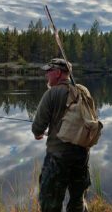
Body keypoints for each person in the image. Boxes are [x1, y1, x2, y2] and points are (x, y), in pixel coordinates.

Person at [32, 58, 90, 212]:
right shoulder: (83, 91)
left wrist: (38, 134)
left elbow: (38, 126)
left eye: (48, 71)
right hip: (81, 156)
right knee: (78, 201)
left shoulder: (51, 94)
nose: (46, 75)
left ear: (58, 73)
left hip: (58, 158)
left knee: (50, 203)